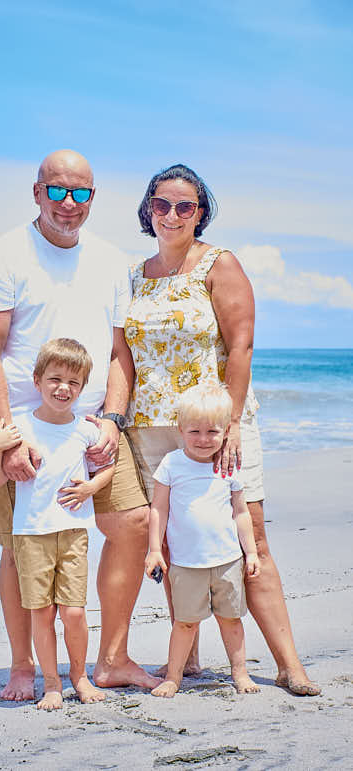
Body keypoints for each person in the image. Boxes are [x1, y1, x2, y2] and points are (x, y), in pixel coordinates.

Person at [124, 162, 320, 696]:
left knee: (248, 536)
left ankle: (287, 664)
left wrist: (231, 422)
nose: (171, 214)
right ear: (148, 209)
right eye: (161, 204)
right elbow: (124, 354)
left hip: (216, 427)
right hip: (155, 428)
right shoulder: (135, 274)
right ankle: (186, 661)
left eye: (184, 206)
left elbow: (241, 345)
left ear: (200, 213)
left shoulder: (219, 263)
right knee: (174, 538)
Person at [0, 149, 155, 702]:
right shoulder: (0, 257)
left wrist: (115, 421)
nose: (68, 204)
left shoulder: (112, 261)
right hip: (18, 432)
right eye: (57, 191)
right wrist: (9, 436)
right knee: (19, 546)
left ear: (93, 199)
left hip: (92, 431)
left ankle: (113, 658)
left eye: (81, 194)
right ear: (36, 193)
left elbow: (121, 353)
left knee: (134, 523)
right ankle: (24, 666)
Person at [0, 339, 113, 709]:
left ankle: (80, 677)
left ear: (82, 388)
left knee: (74, 612)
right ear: (37, 380)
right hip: (30, 536)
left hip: (74, 534)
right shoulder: (20, 428)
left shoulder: (86, 429)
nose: (63, 388)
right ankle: (53, 684)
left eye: (73, 383)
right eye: (55, 379)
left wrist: (90, 486)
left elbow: (107, 468)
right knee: (41, 613)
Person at [145, 383, 261, 697]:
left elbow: (240, 512)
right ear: (180, 429)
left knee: (231, 620)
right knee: (184, 623)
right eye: (194, 431)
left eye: (212, 431)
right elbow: (159, 509)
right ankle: (174, 677)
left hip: (227, 562)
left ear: (226, 432)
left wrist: (250, 553)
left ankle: (240, 674)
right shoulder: (172, 464)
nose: (203, 439)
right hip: (186, 564)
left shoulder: (229, 467)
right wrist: (155, 549)